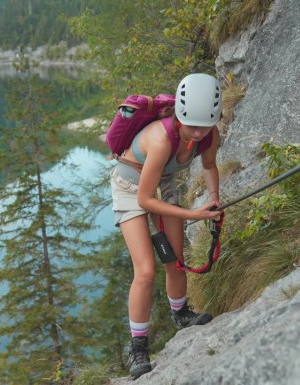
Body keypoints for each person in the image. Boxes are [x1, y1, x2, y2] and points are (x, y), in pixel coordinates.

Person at [109, 73, 223, 379]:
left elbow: (210, 165)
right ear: (180, 116)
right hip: (131, 188)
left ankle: (181, 314)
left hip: (163, 185)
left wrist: (213, 198)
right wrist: (194, 215)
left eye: (205, 125)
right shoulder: (161, 139)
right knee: (146, 270)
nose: (198, 133)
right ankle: (138, 348)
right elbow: (145, 199)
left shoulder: (210, 135)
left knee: (175, 261)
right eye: (192, 125)